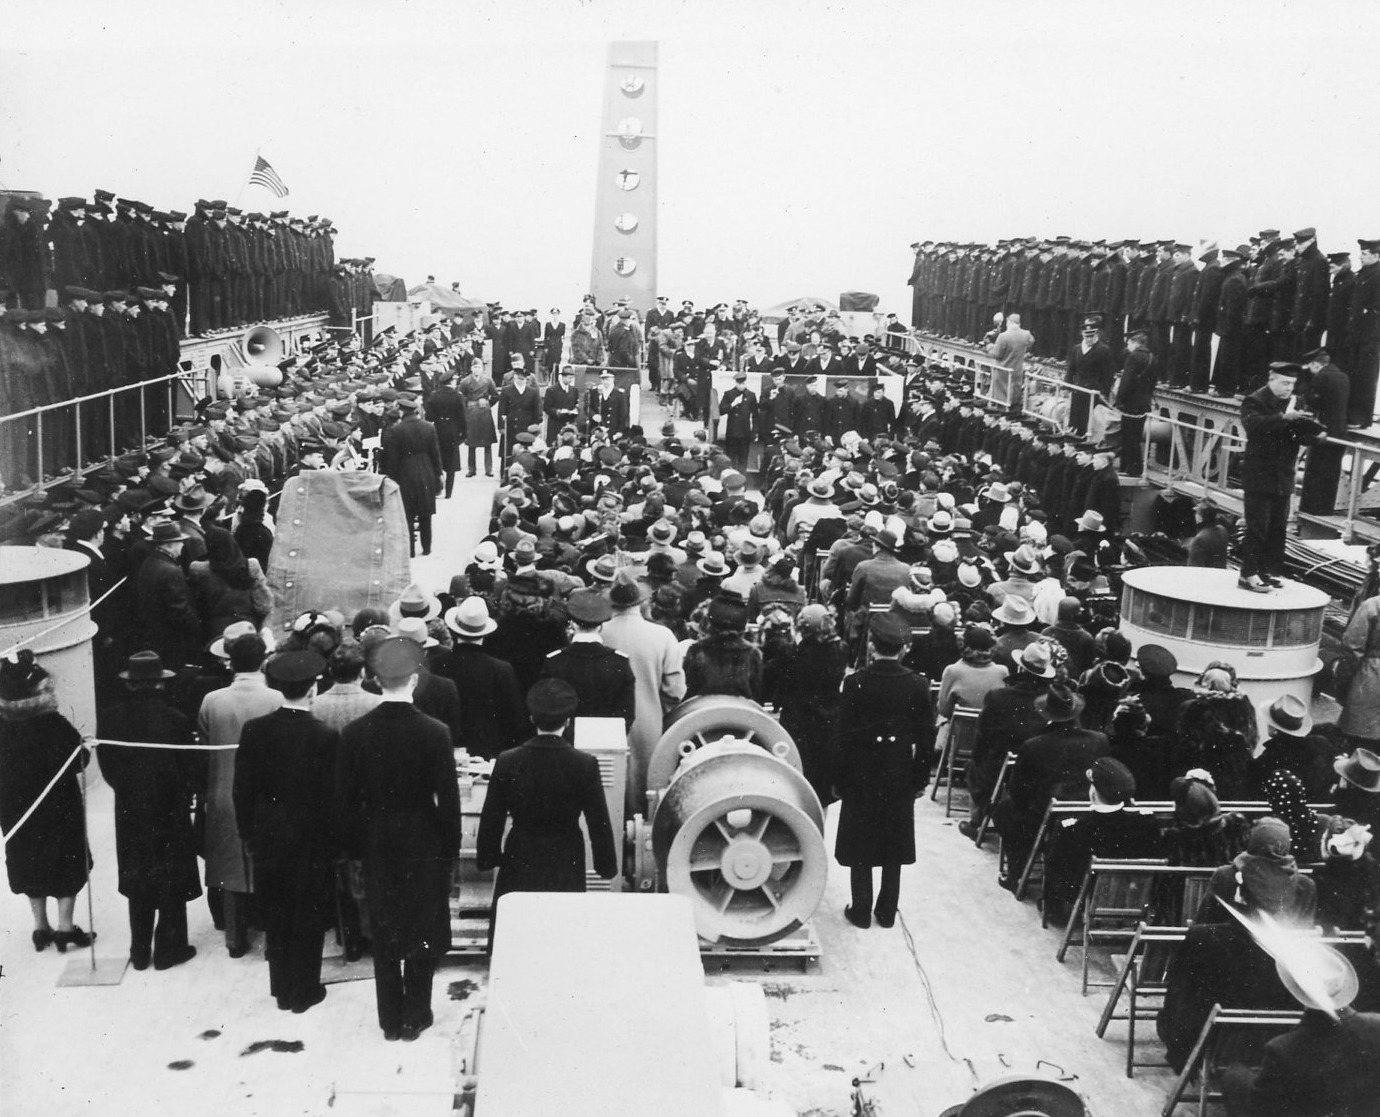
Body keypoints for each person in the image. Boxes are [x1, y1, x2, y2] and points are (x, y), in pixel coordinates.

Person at [336, 637, 460, 1042]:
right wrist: (450, 850)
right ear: (414, 679)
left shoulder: (355, 733)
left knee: (383, 924)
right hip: (424, 838)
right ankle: (416, 1014)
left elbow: (346, 801)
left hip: (376, 840)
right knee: (423, 924)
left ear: (375, 679)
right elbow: (449, 802)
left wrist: (354, 851)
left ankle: (389, 1018)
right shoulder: (436, 733)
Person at [234, 651, 338, 1014]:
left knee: (276, 913)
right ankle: (305, 990)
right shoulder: (325, 736)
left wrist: (248, 834)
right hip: (311, 841)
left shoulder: (254, 730)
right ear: (312, 689)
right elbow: (333, 797)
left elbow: (242, 790)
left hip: (269, 837)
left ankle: (281, 988)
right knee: (308, 914)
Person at [476, 678, 617, 919]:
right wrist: (606, 866)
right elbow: (598, 821)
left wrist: (488, 856)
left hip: (521, 851)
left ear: (532, 719)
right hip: (566, 855)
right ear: (568, 721)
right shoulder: (585, 764)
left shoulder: (508, 760)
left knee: (518, 924)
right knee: (561, 924)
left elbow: (492, 816)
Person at [98, 651, 201, 971]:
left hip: (130, 807)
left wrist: (126, 790)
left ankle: (140, 950)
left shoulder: (110, 719)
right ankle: (171, 948)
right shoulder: (177, 719)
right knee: (170, 874)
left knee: (138, 874)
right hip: (170, 807)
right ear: (160, 683)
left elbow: (107, 766)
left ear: (130, 684)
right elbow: (189, 767)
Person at [833, 613, 936, 929]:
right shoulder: (917, 684)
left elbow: (842, 736)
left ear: (872, 645)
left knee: (860, 839)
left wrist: (839, 779)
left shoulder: (855, 683)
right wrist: (920, 779)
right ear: (903, 648)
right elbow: (926, 738)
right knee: (894, 840)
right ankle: (887, 910)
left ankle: (861, 909)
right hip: (898, 770)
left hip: (861, 771)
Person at [0, 651, 94, 953]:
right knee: (66, 861)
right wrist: (85, 746)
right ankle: (65, 928)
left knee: (30, 862)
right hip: (59, 807)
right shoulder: (53, 722)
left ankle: (40, 928)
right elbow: (79, 761)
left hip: (16, 810)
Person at [1221, 943, 1380, 1117]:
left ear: (1296, 988)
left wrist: (1235, 1074)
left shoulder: (1283, 1049)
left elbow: (1261, 1108)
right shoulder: (1376, 1025)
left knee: (1234, 1077)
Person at [197, 630, 282, 956]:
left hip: (223, 790)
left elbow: (206, 744)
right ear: (263, 660)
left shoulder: (212, 701)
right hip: (266, 792)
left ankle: (235, 939)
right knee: (269, 864)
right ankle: (271, 936)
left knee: (229, 865)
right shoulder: (276, 698)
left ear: (230, 661)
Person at [599, 573, 686, 815]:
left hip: (605, 719)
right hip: (649, 720)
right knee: (647, 788)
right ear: (641, 602)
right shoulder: (663, 635)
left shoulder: (600, 633)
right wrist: (660, 709)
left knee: (608, 788)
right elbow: (675, 689)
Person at [1041, 757, 1163, 922]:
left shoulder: (1070, 827)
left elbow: (1055, 872)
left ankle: (1055, 911)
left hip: (1087, 896)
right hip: (1134, 895)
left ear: (1094, 791)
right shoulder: (1147, 821)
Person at [1238, 363, 1325, 592]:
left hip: (1282, 477)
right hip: (1259, 477)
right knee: (1257, 528)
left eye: (1292, 384)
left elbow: (1294, 435)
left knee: (1277, 528)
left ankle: (1266, 571)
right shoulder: (1254, 401)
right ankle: (1248, 574)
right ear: (1271, 379)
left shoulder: (1293, 403)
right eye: (1285, 383)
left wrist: (1315, 436)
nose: (1289, 388)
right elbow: (1254, 426)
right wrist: (1285, 418)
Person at [767, 603, 848, 808]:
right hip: (828, 720)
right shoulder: (840, 650)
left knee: (796, 776)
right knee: (822, 785)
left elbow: (774, 678)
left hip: (798, 721)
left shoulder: (791, 652)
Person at [439, 597, 528, 760]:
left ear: (454, 629)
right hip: (487, 754)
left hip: (444, 752)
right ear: (485, 631)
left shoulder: (437, 664)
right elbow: (515, 721)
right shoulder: (501, 670)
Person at [540, 589, 636, 728]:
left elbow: (547, 708)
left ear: (573, 624)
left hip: (566, 736)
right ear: (600, 626)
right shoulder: (619, 662)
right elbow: (627, 714)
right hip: (608, 737)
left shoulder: (554, 661)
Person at [380, 397, 443, 558]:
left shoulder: (396, 430)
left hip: (405, 473)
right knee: (425, 513)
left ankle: (411, 550)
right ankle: (427, 547)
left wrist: (391, 478)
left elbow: (392, 459)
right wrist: (438, 474)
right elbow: (435, 454)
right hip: (426, 471)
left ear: (401, 411)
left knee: (407, 514)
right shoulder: (429, 427)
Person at [1298, 347, 1350, 514]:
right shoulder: (1343, 376)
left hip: (1323, 431)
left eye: (1310, 368)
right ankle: (1325, 511)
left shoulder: (1321, 377)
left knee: (1315, 473)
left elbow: (1313, 401)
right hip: (1340, 432)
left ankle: (1310, 511)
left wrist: (1305, 388)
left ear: (1315, 364)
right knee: (1330, 474)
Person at [1113, 327, 1158, 476]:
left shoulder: (1133, 357)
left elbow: (1126, 381)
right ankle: (1131, 467)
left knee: (1128, 436)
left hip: (1130, 403)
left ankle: (1130, 468)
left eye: (1129, 343)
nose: (1128, 347)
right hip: (1144, 403)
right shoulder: (1152, 358)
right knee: (1136, 436)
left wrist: (1119, 400)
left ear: (1135, 343)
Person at [425, 367, 466, 496]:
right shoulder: (457, 396)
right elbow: (462, 418)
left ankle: (437, 489)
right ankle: (449, 492)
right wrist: (463, 435)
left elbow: (428, 416)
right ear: (452, 381)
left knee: (437, 459)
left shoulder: (434, 395)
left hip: (437, 430)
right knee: (451, 464)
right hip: (452, 431)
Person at [987, 312, 1033, 412]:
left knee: (1002, 399)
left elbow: (996, 354)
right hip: (1017, 370)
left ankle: (1002, 411)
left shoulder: (1003, 336)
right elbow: (1031, 342)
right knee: (1014, 394)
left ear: (1009, 322)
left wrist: (989, 347)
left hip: (1003, 372)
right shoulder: (1026, 334)